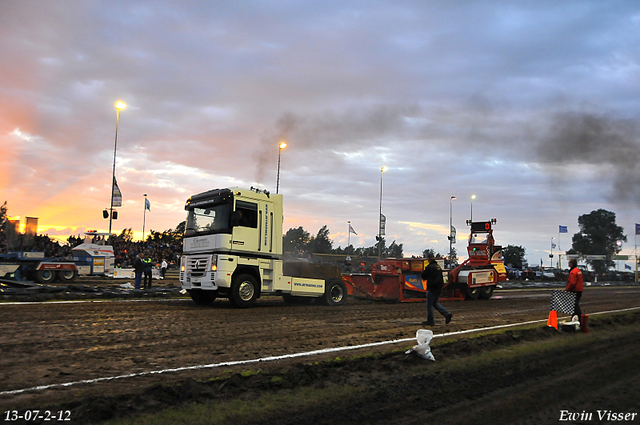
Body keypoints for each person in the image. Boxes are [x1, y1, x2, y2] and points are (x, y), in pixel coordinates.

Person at [421, 254, 452, 326]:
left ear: (428, 259)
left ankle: (430, 320)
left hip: (432, 288)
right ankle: (447, 314)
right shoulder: (438, 267)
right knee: (435, 303)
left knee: (429, 305)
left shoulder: (429, 267)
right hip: (438, 288)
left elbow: (423, 276)